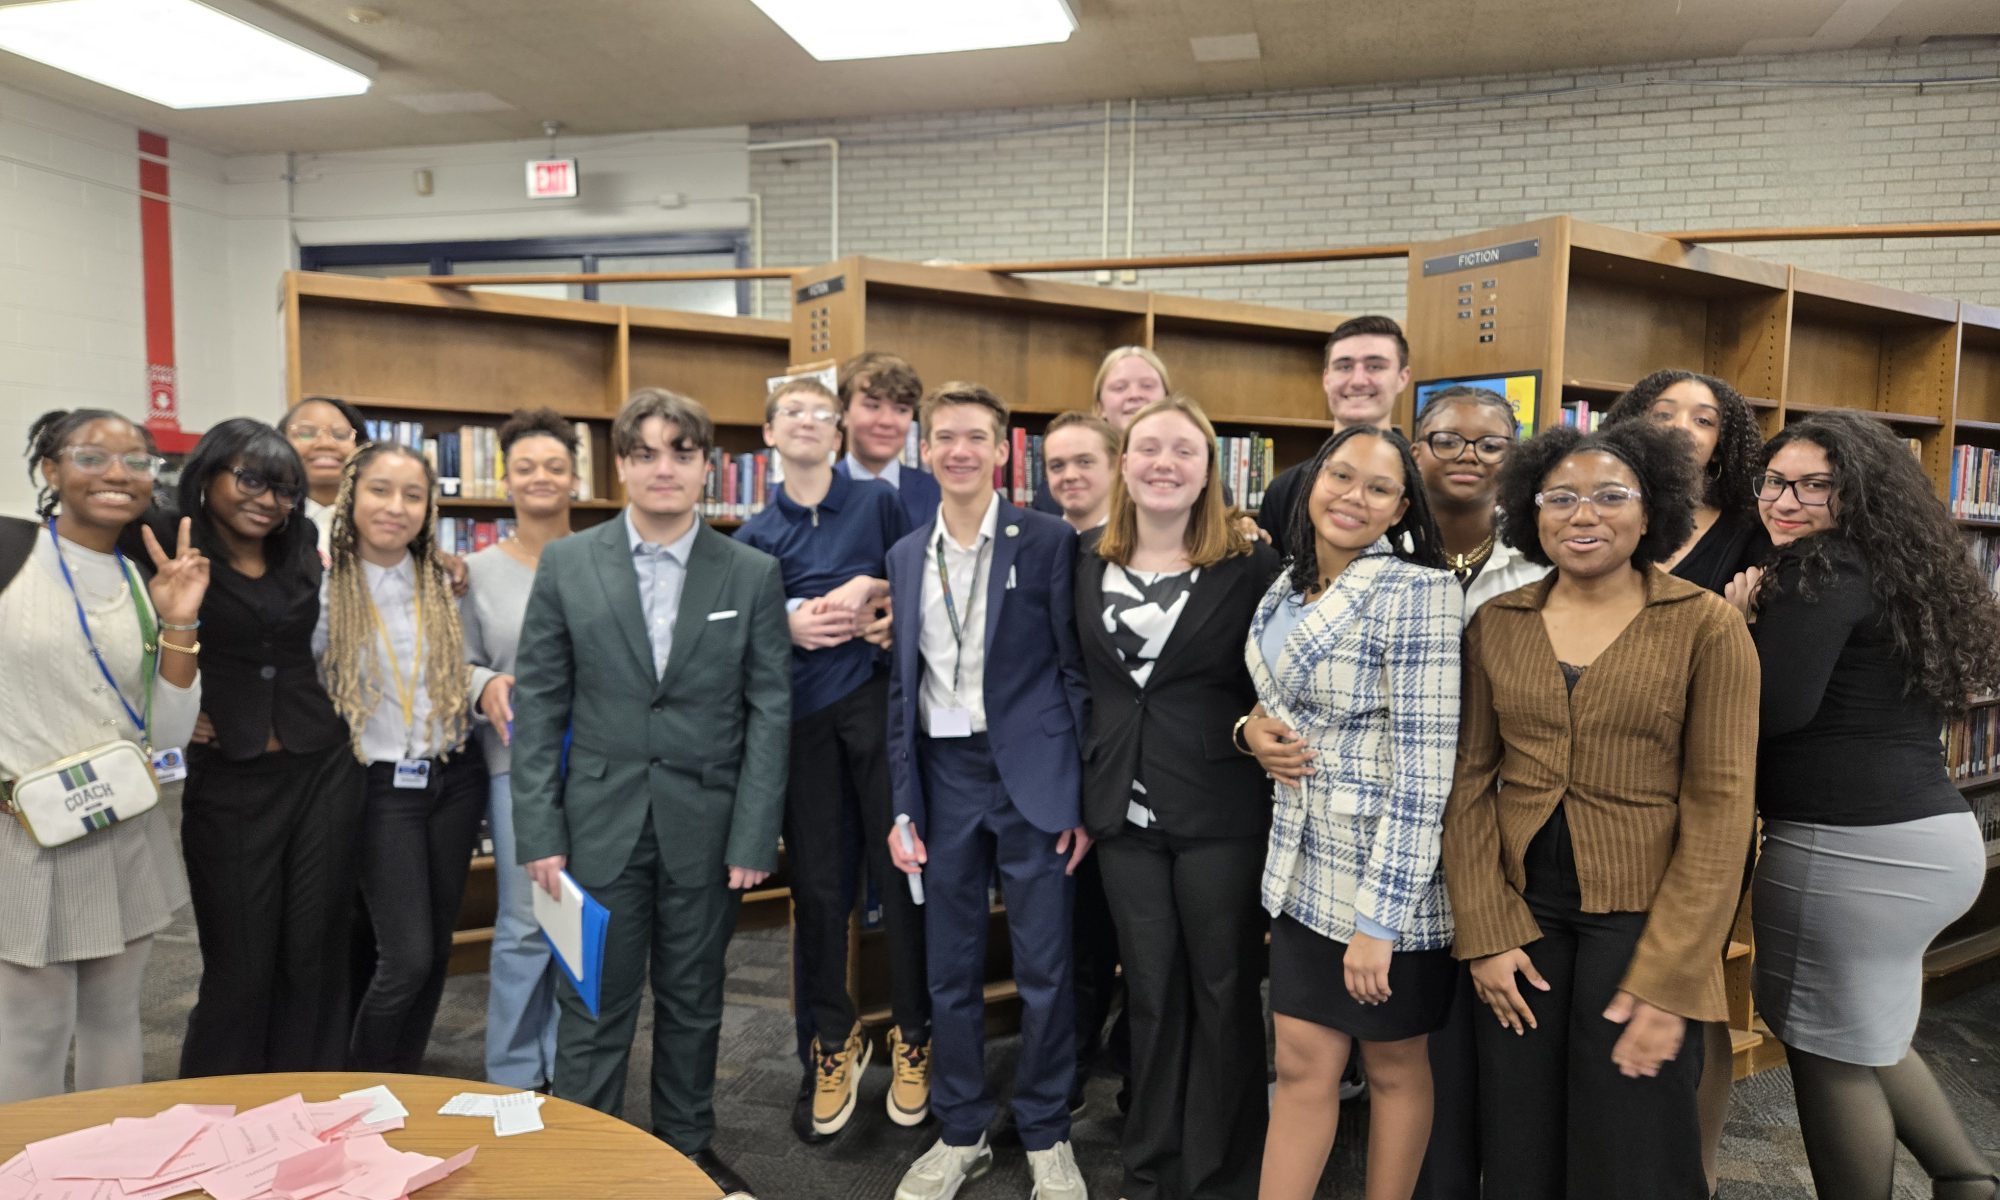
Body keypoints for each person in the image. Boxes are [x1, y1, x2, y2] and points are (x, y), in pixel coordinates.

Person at [1443, 420, 1758, 1200]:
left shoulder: (1705, 624)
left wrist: (1673, 980)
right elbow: (1470, 781)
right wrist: (1484, 930)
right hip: (1522, 917)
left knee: (1634, 1140)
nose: (1584, 515)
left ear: (1652, 514)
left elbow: (1722, 809)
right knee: (1517, 1134)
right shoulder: (1497, 623)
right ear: (1531, 513)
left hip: (1645, 919)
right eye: (1561, 499)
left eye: (1611, 496)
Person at [511, 387, 789, 1200]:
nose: (663, 468)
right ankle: (584, 1161)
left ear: (708, 465)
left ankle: (684, 1153)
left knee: (695, 1001)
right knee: (591, 1002)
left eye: (681, 451)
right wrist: (537, 829)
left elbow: (770, 713)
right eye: (644, 452)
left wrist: (752, 835)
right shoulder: (569, 562)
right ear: (621, 466)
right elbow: (541, 706)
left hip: (707, 830)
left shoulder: (752, 571)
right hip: (594, 828)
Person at [1728, 410, 2000, 1200]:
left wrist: (1737, 623)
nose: (1788, 501)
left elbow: (1770, 711)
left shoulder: (1820, 573)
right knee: (1871, 1036)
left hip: (1848, 852)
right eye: (1776, 481)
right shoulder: (1895, 569)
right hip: (1931, 840)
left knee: (1825, 1051)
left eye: (1818, 486)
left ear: (1859, 494)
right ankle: (1964, 1179)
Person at [883, 382, 1091, 1200]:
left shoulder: (1044, 540)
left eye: (976, 436)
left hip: (1033, 782)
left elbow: (1073, 672)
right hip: (943, 778)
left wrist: (1076, 797)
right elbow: (904, 689)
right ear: (924, 451)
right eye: (944, 438)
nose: (959, 450)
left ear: (1003, 450)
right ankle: (960, 1128)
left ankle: (1046, 1132)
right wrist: (904, 801)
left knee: (1045, 967)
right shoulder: (906, 554)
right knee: (950, 968)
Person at [1245, 425, 1463, 1200]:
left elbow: (1426, 768)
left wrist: (1381, 923)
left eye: (1378, 487)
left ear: (1402, 507)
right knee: (1302, 1067)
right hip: (1301, 869)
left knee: (1395, 1067)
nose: (1353, 497)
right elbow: (1283, 702)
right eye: (1341, 475)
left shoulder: (1420, 590)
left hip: (1384, 879)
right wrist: (1247, 729)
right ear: (1312, 481)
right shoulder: (1286, 584)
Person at [1077, 396, 1280, 1200]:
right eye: (1148, 448)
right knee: (1152, 991)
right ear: (1124, 464)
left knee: (1224, 987)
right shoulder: (1085, 556)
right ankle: (1151, 1157)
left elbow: (1275, 678)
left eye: (1184, 452)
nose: (1165, 463)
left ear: (1209, 471)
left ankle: (1223, 1169)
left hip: (1220, 810)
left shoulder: (1251, 563)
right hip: (1120, 813)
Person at [733, 378, 927, 1142]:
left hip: (880, 719)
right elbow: (737, 634)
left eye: (823, 414)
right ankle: (830, 1043)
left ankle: (916, 1036)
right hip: (801, 726)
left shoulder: (878, 505)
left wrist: (875, 588)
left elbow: (920, 581)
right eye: (793, 413)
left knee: (904, 879)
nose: (809, 423)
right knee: (818, 893)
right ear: (770, 433)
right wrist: (783, 621)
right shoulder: (751, 536)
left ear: (840, 434)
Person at [0, 409, 206, 1102]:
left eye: (136, 460)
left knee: (115, 1019)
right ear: (50, 471)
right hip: (23, 835)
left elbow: (170, 733)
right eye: (91, 456)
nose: (118, 473)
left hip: (122, 825)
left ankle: (109, 1171)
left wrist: (179, 618)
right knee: (32, 1029)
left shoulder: (143, 581)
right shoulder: (9, 550)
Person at [1602, 367, 1770, 1191]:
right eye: (1663, 411)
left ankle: (1696, 1169)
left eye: (1703, 419)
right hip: (1597, 794)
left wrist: (1727, 635)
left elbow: (1766, 674)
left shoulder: (1751, 535)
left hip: (1697, 797)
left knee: (1693, 983)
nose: (1680, 427)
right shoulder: (1595, 509)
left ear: (1723, 441)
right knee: (1608, 977)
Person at [176, 418, 363, 1076]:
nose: (269, 500)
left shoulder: (300, 539)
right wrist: (173, 712)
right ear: (208, 474)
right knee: (241, 965)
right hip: (231, 777)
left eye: (285, 489)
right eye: (251, 479)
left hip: (322, 764)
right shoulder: (171, 541)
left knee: (313, 950)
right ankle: (212, 1118)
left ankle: (308, 1106)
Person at [1405, 386, 1546, 1199]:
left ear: (1516, 457)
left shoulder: (1548, 560)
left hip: (1507, 818)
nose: (1468, 456)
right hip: (1408, 816)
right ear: (1415, 449)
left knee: (1501, 1029)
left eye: (1490, 444)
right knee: (1424, 1035)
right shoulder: (1380, 555)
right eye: (1446, 439)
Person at [317, 441, 488, 1073]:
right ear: (351, 498)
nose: (395, 507)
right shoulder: (324, 586)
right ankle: (361, 1088)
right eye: (380, 491)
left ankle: (403, 1081)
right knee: (405, 955)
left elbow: (453, 668)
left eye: (412, 495)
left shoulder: (442, 581)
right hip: (380, 787)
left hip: (453, 777)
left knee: (436, 949)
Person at [460, 407, 579, 1092]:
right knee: (524, 921)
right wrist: (484, 685)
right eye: (526, 467)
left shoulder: (603, 560)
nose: (541, 477)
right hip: (516, 768)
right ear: (506, 479)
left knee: (579, 920)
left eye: (554, 466)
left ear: (574, 477)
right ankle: (511, 1072)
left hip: (599, 771)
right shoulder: (472, 572)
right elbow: (460, 663)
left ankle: (571, 1069)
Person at [1255, 315, 1412, 554]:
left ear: (1402, 378)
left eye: (1375, 366)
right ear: (1326, 379)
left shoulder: (1428, 484)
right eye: (1344, 367)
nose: (1358, 380)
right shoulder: (1284, 490)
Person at [1032, 346, 1171, 517]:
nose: (1134, 395)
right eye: (1119, 387)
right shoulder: (1062, 487)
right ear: (1100, 407)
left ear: (1167, 399)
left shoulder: (1186, 474)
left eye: (1147, 386)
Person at [835, 351, 941, 530]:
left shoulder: (939, 494)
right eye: (872, 406)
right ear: (844, 413)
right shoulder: (817, 494)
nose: (887, 421)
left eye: (901, 409)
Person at [281, 395, 369, 556]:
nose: (325, 444)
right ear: (280, 444)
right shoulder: (264, 518)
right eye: (306, 433)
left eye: (340, 435)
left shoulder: (378, 520)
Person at [1042, 411, 1119, 533]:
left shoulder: (1141, 544)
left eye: (1084, 462)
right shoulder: (1034, 546)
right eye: (1057, 466)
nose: (1070, 475)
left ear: (1115, 467)